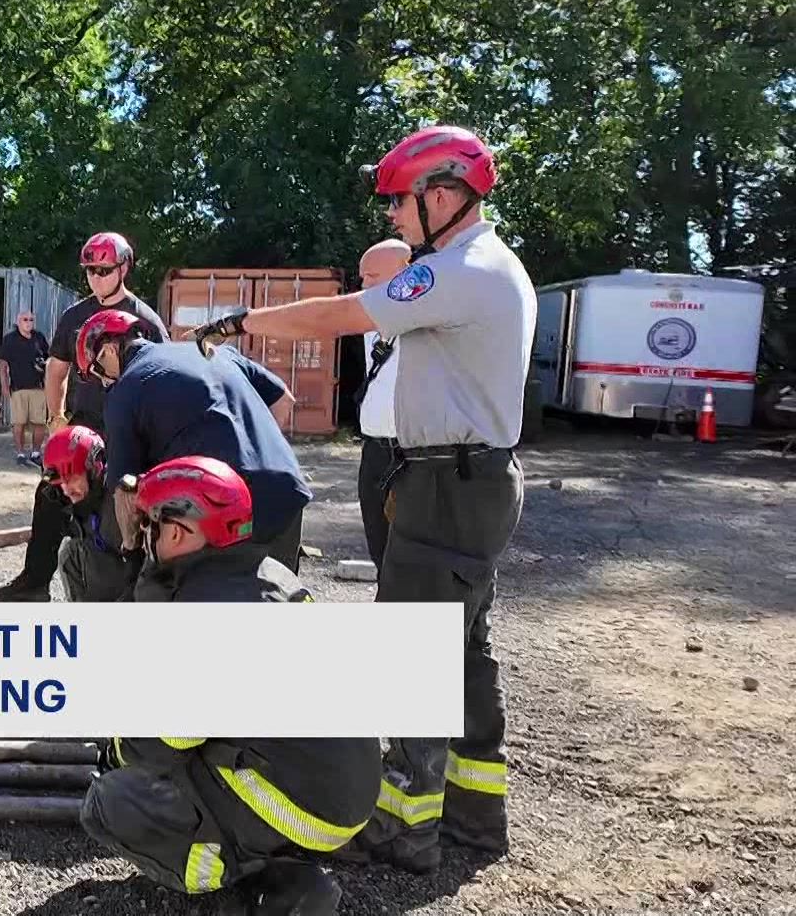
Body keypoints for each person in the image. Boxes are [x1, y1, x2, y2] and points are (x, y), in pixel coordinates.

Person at [192, 125, 534, 870]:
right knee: (462, 657)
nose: (393, 218)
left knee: (411, 660)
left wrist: (243, 324)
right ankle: (473, 824)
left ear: (443, 195)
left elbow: (345, 312)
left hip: (447, 486)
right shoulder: (477, 265)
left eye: (400, 203)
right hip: (460, 482)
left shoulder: (459, 270)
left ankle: (405, 830)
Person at [83, 456, 380, 916]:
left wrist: (115, 746)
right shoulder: (266, 576)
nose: (143, 537)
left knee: (110, 800)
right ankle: (271, 850)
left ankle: (259, 884)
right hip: (348, 785)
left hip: (309, 807)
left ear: (177, 533)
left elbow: (156, 744)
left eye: (149, 527)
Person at [0, 231, 168, 601]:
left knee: (124, 510)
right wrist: (56, 419)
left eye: (104, 269)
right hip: (83, 427)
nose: (97, 277)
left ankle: (134, 590)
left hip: (128, 434)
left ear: (124, 268)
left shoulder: (146, 321)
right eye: (90, 271)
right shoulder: (75, 317)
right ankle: (34, 583)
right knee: (51, 492)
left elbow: (164, 382)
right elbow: (56, 370)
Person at [78, 309, 312, 573]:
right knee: (277, 598)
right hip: (286, 490)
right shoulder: (213, 350)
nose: (103, 382)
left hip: (224, 507)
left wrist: (131, 548)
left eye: (97, 372)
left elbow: (124, 489)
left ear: (109, 350)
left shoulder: (124, 391)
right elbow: (284, 400)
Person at [354, 238, 411, 572]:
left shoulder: (430, 315)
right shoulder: (370, 317)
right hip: (375, 452)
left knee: (411, 559)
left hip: (413, 455)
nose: (363, 285)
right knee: (381, 553)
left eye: (372, 276)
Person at [38, 426, 136, 602]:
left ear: (95, 467)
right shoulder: (85, 499)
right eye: (61, 483)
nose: (67, 490)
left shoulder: (117, 505)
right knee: (70, 552)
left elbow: (145, 573)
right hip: (106, 575)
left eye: (73, 478)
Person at [0, 311, 52, 464]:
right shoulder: (10, 340)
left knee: (39, 422)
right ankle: (20, 453)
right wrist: (4, 386)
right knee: (19, 422)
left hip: (38, 387)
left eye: (31, 320)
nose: (28, 322)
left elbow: (50, 361)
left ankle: (35, 452)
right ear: (18, 321)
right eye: (25, 319)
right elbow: (3, 366)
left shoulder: (39, 338)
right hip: (18, 388)